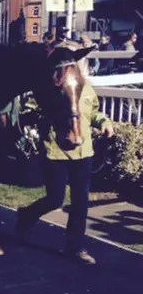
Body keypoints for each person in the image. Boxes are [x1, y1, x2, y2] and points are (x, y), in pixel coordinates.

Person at [15, 71, 114, 265]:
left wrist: (104, 123)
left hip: (83, 151)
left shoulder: (85, 88)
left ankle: (75, 246)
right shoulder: (47, 89)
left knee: (80, 202)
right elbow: (28, 111)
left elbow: (93, 112)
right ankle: (27, 215)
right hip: (56, 151)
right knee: (55, 199)